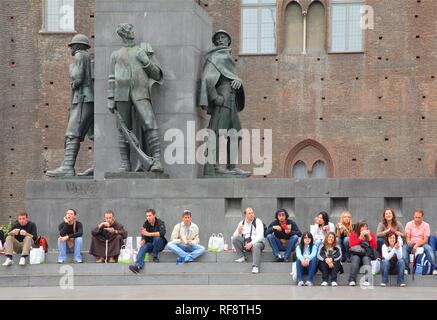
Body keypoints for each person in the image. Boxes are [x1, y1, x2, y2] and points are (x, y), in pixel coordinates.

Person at [107, 23, 164, 173]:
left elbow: (157, 74)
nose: (131, 32)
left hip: (140, 91)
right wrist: (110, 98)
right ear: (123, 34)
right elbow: (111, 78)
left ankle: (156, 160)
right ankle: (125, 164)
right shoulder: (115, 55)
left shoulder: (143, 49)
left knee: (149, 122)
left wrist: (145, 60)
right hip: (121, 93)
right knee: (123, 129)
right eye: (128, 30)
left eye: (131, 29)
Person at [199, 30, 250, 177]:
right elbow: (207, 79)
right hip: (223, 99)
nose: (221, 40)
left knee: (236, 133)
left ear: (228, 41)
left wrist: (239, 81)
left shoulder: (226, 57)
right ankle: (213, 167)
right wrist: (215, 98)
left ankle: (232, 167)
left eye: (224, 38)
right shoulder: (215, 57)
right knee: (215, 132)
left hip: (232, 99)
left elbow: (231, 77)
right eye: (218, 38)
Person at [46, 34, 94, 177]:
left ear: (78, 46)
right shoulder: (89, 57)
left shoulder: (79, 57)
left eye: (72, 46)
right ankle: (97, 165)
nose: (71, 49)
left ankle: (67, 167)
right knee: (93, 135)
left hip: (82, 98)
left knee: (72, 132)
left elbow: (78, 79)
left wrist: (71, 70)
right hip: (90, 100)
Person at [129, 209, 167, 274]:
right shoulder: (145, 224)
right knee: (144, 247)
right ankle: (137, 266)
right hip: (151, 245)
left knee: (157, 238)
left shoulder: (160, 222)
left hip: (159, 244)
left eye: (150, 216)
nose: (148, 218)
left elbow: (162, 233)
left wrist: (149, 234)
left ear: (154, 215)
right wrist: (143, 240)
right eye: (147, 216)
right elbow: (143, 235)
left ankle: (155, 256)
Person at [403, 209, 437, 275]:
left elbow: (425, 240)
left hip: (422, 243)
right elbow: (407, 237)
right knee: (404, 248)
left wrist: (417, 245)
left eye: (419, 217)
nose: (417, 219)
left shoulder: (426, 225)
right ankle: (406, 269)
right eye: (416, 217)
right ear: (414, 216)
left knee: (428, 248)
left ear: (422, 217)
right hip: (411, 243)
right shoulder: (409, 224)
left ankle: (434, 268)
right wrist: (409, 242)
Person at [232, 207, 265, 274]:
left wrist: (251, 243)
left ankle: (255, 266)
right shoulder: (242, 222)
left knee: (256, 245)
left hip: (257, 243)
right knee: (235, 239)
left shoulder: (257, 221)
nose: (252, 215)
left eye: (252, 213)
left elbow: (260, 236)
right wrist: (238, 231)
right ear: (245, 215)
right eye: (249, 213)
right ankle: (242, 257)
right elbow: (234, 235)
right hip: (246, 242)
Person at [348, 221, 377, 286]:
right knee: (355, 259)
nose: (364, 228)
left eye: (365, 226)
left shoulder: (370, 234)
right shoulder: (353, 234)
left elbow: (374, 246)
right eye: (362, 227)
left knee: (366, 259)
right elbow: (351, 245)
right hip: (356, 253)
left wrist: (369, 236)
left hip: (366, 254)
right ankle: (352, 280)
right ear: (358, 228)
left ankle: (367, 280)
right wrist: (360, 238)